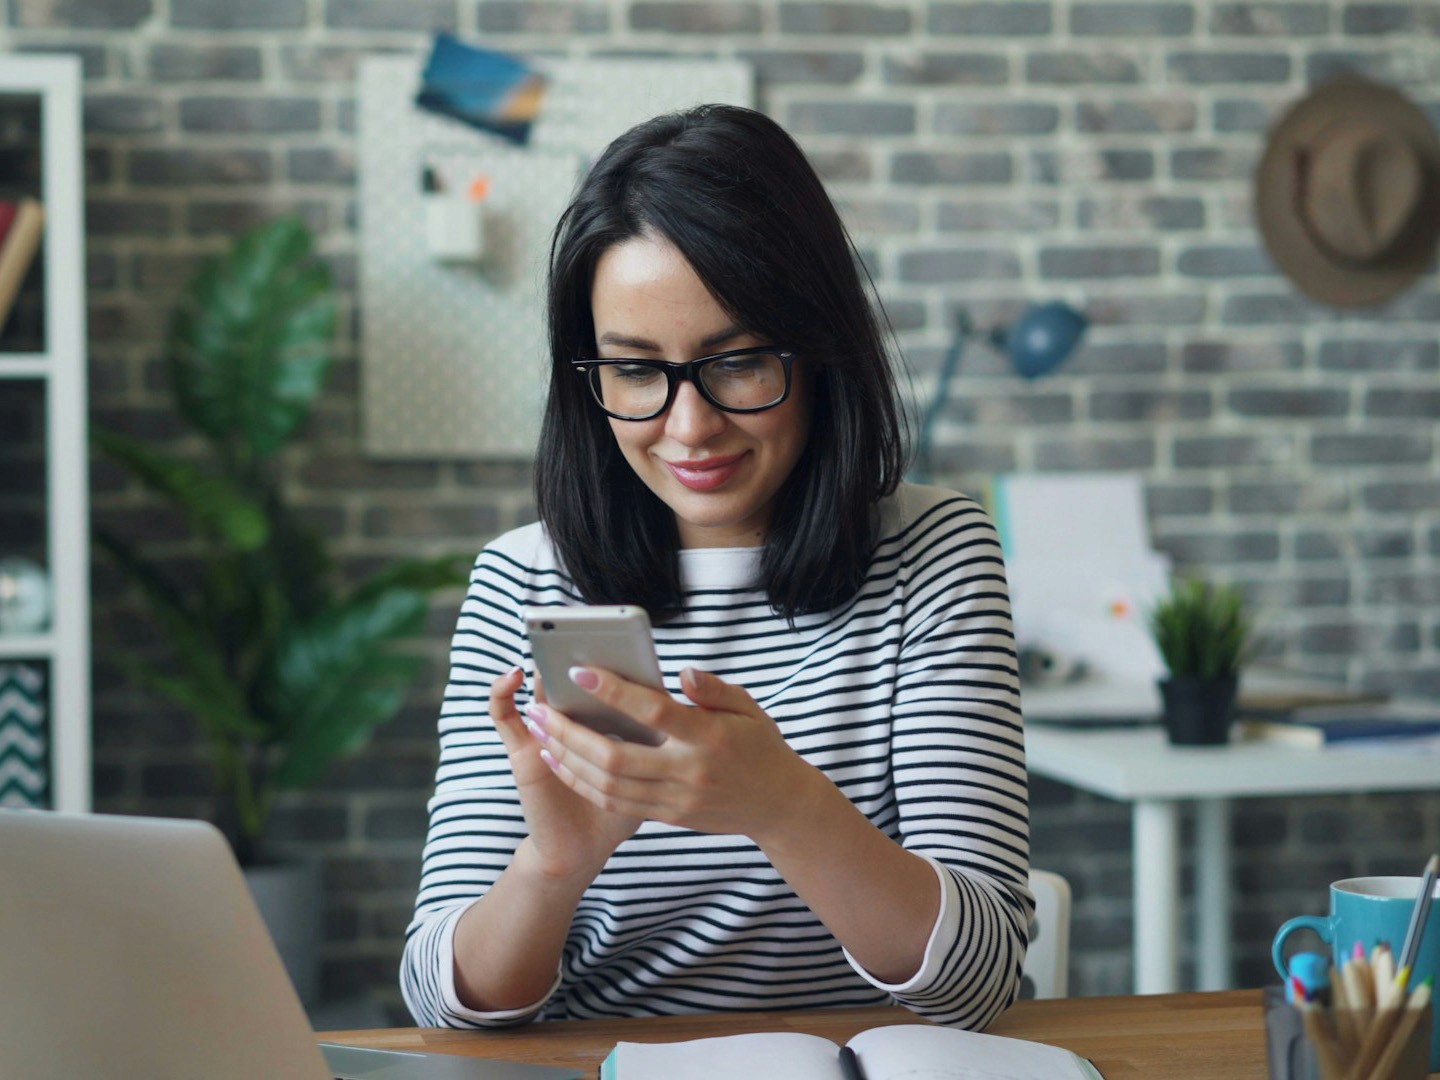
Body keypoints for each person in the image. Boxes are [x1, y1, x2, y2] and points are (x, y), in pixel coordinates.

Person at [401, 103, 1031, 1030]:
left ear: (821, 353)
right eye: (636, 371)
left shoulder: (933, 554)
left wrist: (783, 806)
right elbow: (441, 1003)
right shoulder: (524, 579)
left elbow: (979, 983)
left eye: (736, 363)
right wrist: (554, 864)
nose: (689, 427)